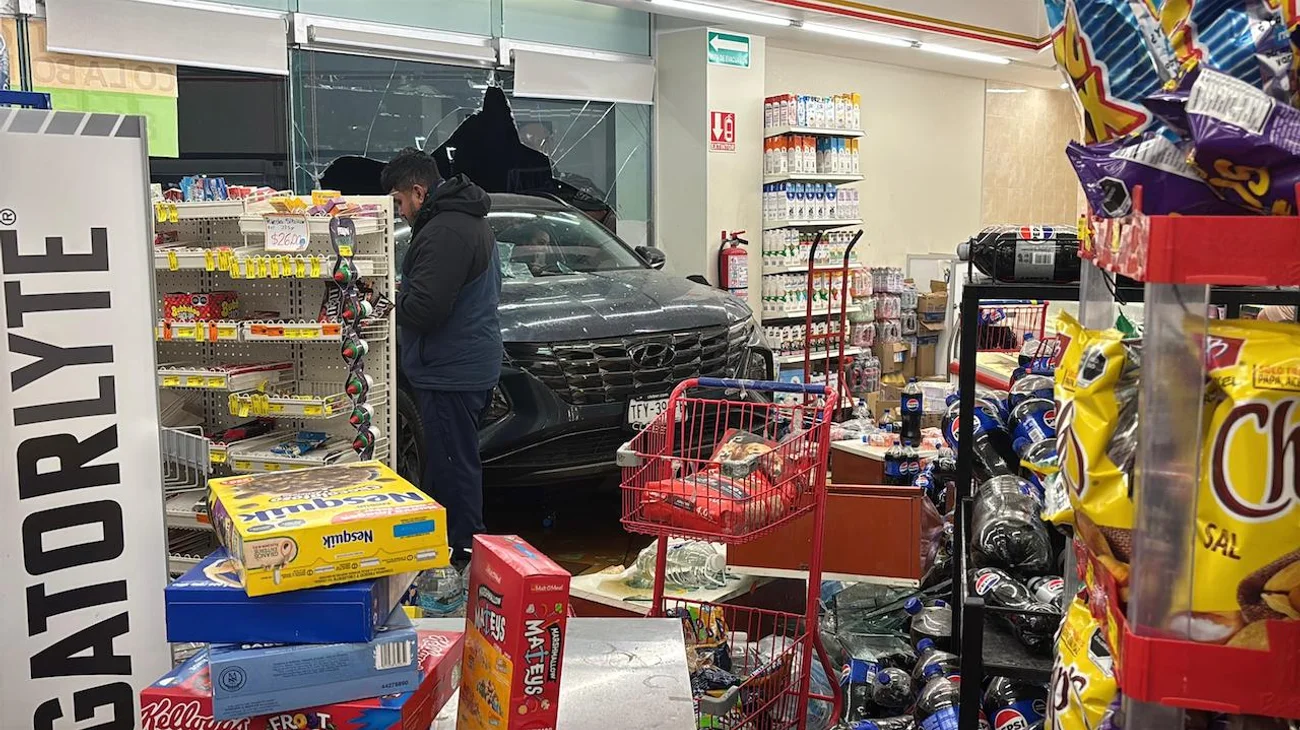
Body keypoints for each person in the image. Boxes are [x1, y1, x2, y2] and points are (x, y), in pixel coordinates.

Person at [383, 148, 502, 570]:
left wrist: (390, 296)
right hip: (465, 364)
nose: (401, 212)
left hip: (451, 370)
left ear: (418, 191)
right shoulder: (465, 220)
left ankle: (467, 559)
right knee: (453, 463)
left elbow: (425, 310)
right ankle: (454, 551)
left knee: (454, 469)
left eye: (399, 202)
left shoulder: (444, 231)